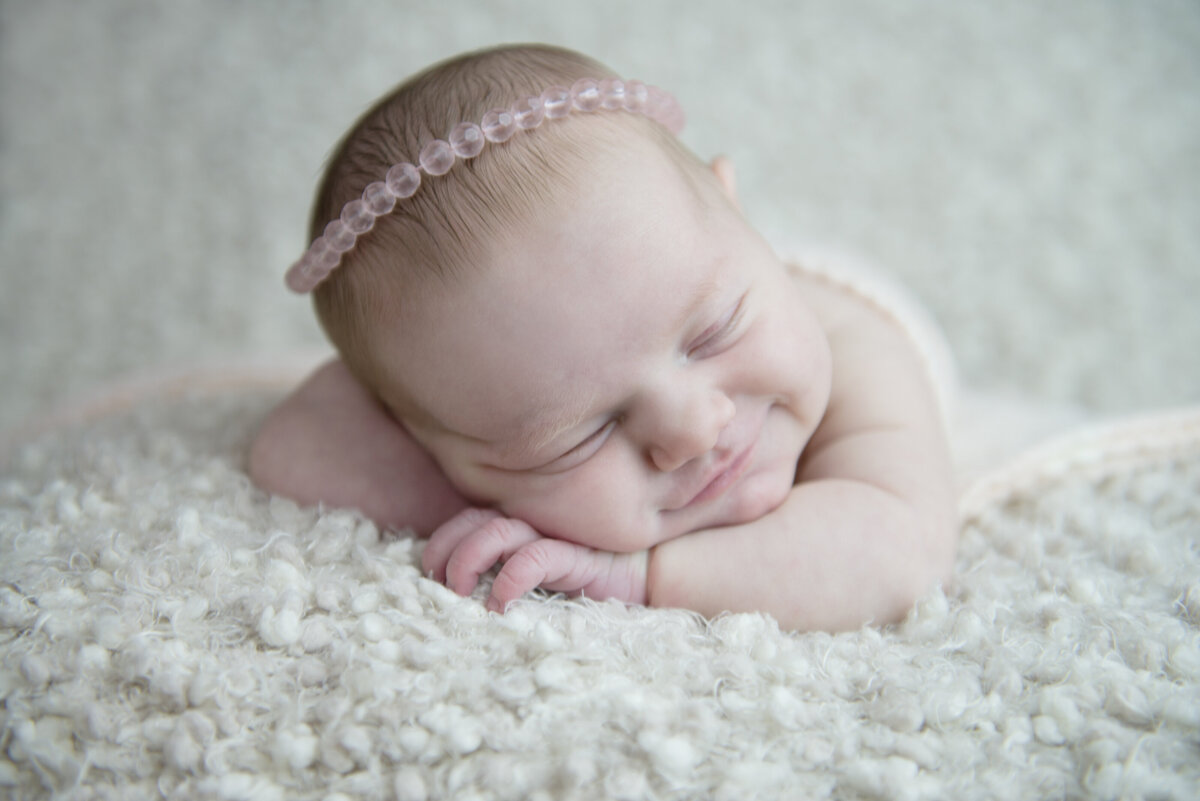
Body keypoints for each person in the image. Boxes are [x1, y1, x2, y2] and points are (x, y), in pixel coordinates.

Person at [249, 44, 957, 631]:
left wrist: (638, 573)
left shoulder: (858, 351)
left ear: (738, 211)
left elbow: (896, 554)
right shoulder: (469, 407)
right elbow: (292, 448)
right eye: (581, 434)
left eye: (712, 334)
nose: (689, 428)